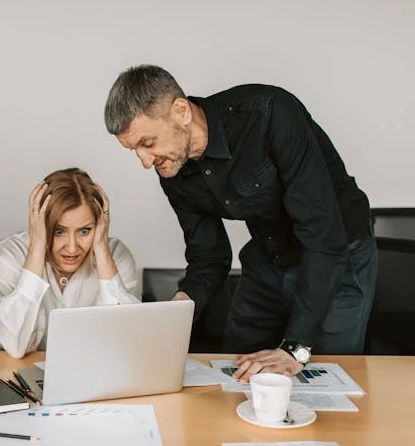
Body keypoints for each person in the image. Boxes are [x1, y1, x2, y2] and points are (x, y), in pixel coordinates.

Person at [104, 65, 376, 382]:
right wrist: (179, 309)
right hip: (270, 255)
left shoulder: (270, 114)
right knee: (237, 371)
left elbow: (323, 236)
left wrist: (295, 348)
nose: (144, 161)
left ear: (180, 111)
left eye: (147, 143)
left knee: (327, 378)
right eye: (134, 150)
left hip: (338, 255)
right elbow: (209, 255)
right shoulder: (172, 167)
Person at [0, 168, 141, 358]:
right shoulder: (11, 253)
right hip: (25, 376)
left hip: (95, 374)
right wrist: (37, 248)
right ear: (41, 225)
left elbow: (125, 343)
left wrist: (101, 248)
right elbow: (13, 346)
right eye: (59, 231)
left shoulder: (116, 255)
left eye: (85, 231)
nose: (72, 248)